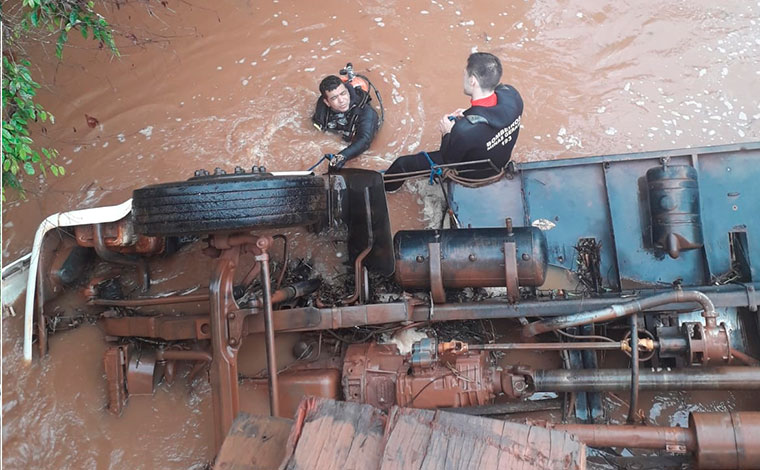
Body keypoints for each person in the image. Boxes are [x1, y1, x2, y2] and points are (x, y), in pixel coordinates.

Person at [384, 52, 523, 192]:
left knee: (402, 164)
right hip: (497, 164)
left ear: (472, 81)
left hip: (472, 175)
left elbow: (449, 160)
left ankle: (386, 188)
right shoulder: (513, 96)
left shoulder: (463, 131)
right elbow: (494, 114)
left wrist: (447, 132)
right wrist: (471, 114)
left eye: (465, 74)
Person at [312, 75, 380, 169]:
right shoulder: (322, 111)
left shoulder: (367, 112)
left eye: (343, 93)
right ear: (327, 102)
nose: (341, 100)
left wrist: (342, 157)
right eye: (334, 98)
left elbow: (364, 140)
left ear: (348, 92)